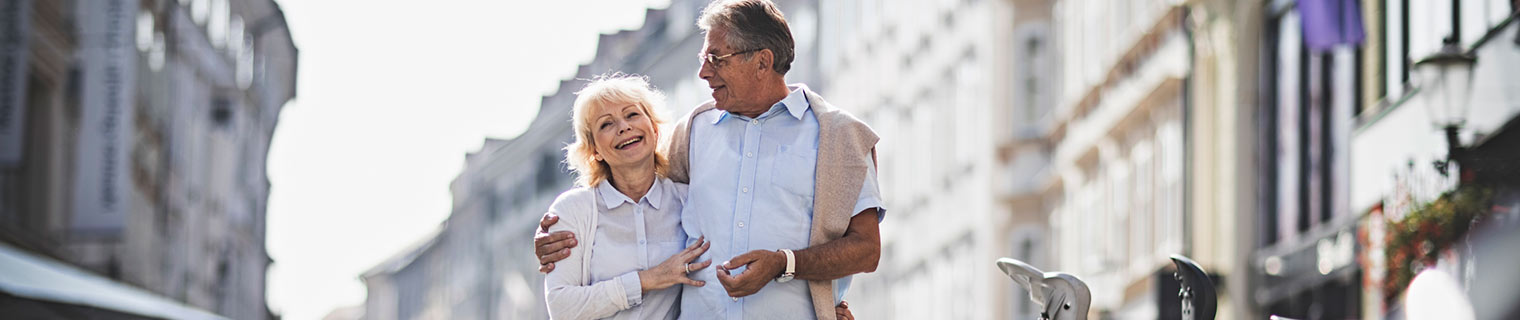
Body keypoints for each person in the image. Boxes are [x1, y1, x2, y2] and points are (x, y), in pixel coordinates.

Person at [537, 1, 883, 319]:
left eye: (716, 59)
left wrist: (785, 263)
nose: (703, 72)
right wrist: (560, 233)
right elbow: (633, 184)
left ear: (762, 62)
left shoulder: (839, 136)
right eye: (703, 59)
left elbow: (866, 250)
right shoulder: (693, 131)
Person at [541, 74, 712, 320]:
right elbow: (561, 307)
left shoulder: (688, 201)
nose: (623, 127)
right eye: (606, 124)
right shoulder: (573, 210)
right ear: (594, 151)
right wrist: (647, 279)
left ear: (653, 128)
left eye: (632, 115)